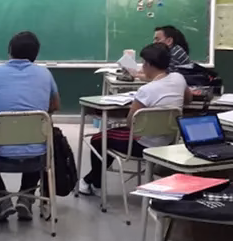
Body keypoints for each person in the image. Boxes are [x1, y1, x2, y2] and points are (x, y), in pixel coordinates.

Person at [79, 43, 190, 196]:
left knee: (99, 139)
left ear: (149, 64)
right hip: (168, 141)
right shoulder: (179, 79)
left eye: (143, 63)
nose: (142, 66)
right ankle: (91, 181)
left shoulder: (146, 90)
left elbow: (131, 123)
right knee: (107, 139)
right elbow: (188, 99)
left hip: (143, 144)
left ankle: (92, 182)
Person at [0, 31, 60, 221]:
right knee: (40, 141)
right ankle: (26, 197)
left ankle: (1, 201)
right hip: (38, 156)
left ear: (10, 51)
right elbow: (55, 105)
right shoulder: (45, 74)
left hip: (0, 155)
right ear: (35, 55)